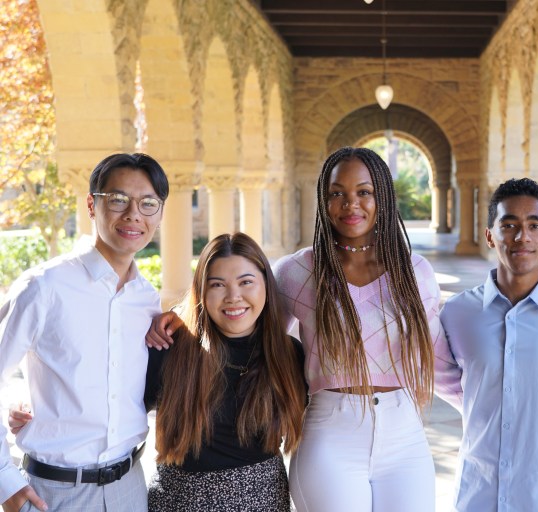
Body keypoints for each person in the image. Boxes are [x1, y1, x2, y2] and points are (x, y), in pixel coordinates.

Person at [148, 146, 459, 511]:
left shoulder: (414, 270)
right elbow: (250, 333)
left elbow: (437, 360)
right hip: (332, 432)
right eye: (337, 194)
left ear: (383, 198)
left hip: (404, 432)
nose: (350, 204)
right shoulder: (297, 272)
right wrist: (184, 322)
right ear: (323, 201)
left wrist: (492, 416)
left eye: (364, 192)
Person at [0, 153, 169, 512]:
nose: (133, 214)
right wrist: (4, 481)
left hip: (130, 488)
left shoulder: (147, 299)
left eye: (148, 203)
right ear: (92, 204)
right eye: (118, 199)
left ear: (160, 214)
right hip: (55, 493)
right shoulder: (44, 287)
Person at [437, 178, 538, 511]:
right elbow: (449, 382)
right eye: (508, 225)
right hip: (478, 492)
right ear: (490, 235)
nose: (522, 237)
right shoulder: (456, 313)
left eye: (534, 225)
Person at [144, 232, 306, 511]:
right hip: (179, 502)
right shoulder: (171, 348)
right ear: (202, 292)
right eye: (217, 284)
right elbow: (117, 417)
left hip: (263, 501)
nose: (233, 297)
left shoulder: (288, 354)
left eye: (246, 282)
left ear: (266, 285)